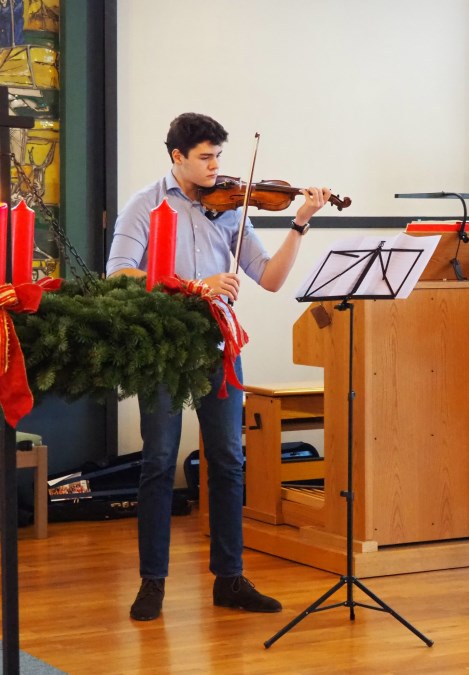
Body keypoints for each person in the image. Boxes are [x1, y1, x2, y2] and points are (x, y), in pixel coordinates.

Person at [107, 112, 332, 621]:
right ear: (177, 157)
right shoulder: (145, 204)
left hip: (219, 345)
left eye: (218, 157)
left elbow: (270, 279)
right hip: (164, 345)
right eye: (205, 157)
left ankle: (230, 579)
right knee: (159, 462)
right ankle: (152, 583)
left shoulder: (230, 208)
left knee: (230, 459)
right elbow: (119, 275)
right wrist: (196, 286)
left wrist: (300, 223)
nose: (215, 168)